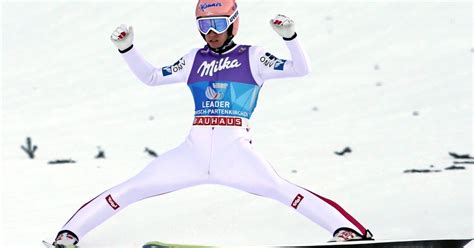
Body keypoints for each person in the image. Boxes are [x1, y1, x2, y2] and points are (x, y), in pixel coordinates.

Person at [51, 0, 373, 247]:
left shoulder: (253, 56)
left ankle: (350, 232)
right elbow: (152, 77)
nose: (211, 32)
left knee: (281, 190)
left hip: (236, 154)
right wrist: (127, 49)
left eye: (219, 23)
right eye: (204, 25)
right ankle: (67, 235)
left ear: (234, 24)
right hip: (192, 153)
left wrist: (291, 38)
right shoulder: (194, 58)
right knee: (131, 188)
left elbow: (300, 69)